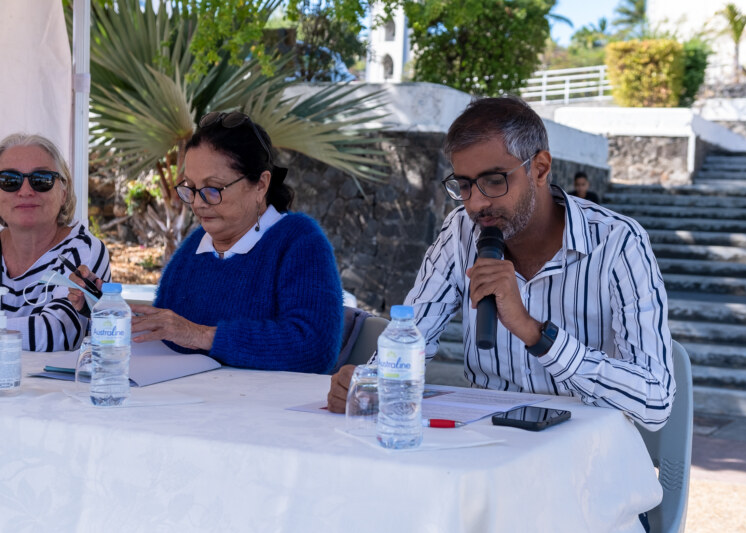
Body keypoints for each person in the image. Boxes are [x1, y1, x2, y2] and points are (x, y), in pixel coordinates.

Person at [328, 97, 674, 431]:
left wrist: (535, 332)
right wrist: (368, 382)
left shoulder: (618, 242)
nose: (476, 203)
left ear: (539, 168)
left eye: (494, 181)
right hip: (486, 453)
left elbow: (656, 401)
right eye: (464, 185)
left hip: (584, 463)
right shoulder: (460, 232)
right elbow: (414, 330)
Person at [69, 111, 343, 372]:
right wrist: (104, 307)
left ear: (260, 185)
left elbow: (314, 347)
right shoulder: (195, 247)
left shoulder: (299, 242)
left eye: (213, 189)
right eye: (190, 188)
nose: (198, 203)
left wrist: (201, 335)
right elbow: (169, 334)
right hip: (191, 405)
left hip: (266, 413)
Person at [0, 133, 110, 351]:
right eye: (9, 180)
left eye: (41, 180)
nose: (25, 191)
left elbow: (58, 333)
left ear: (63, 191)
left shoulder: (83, 250)